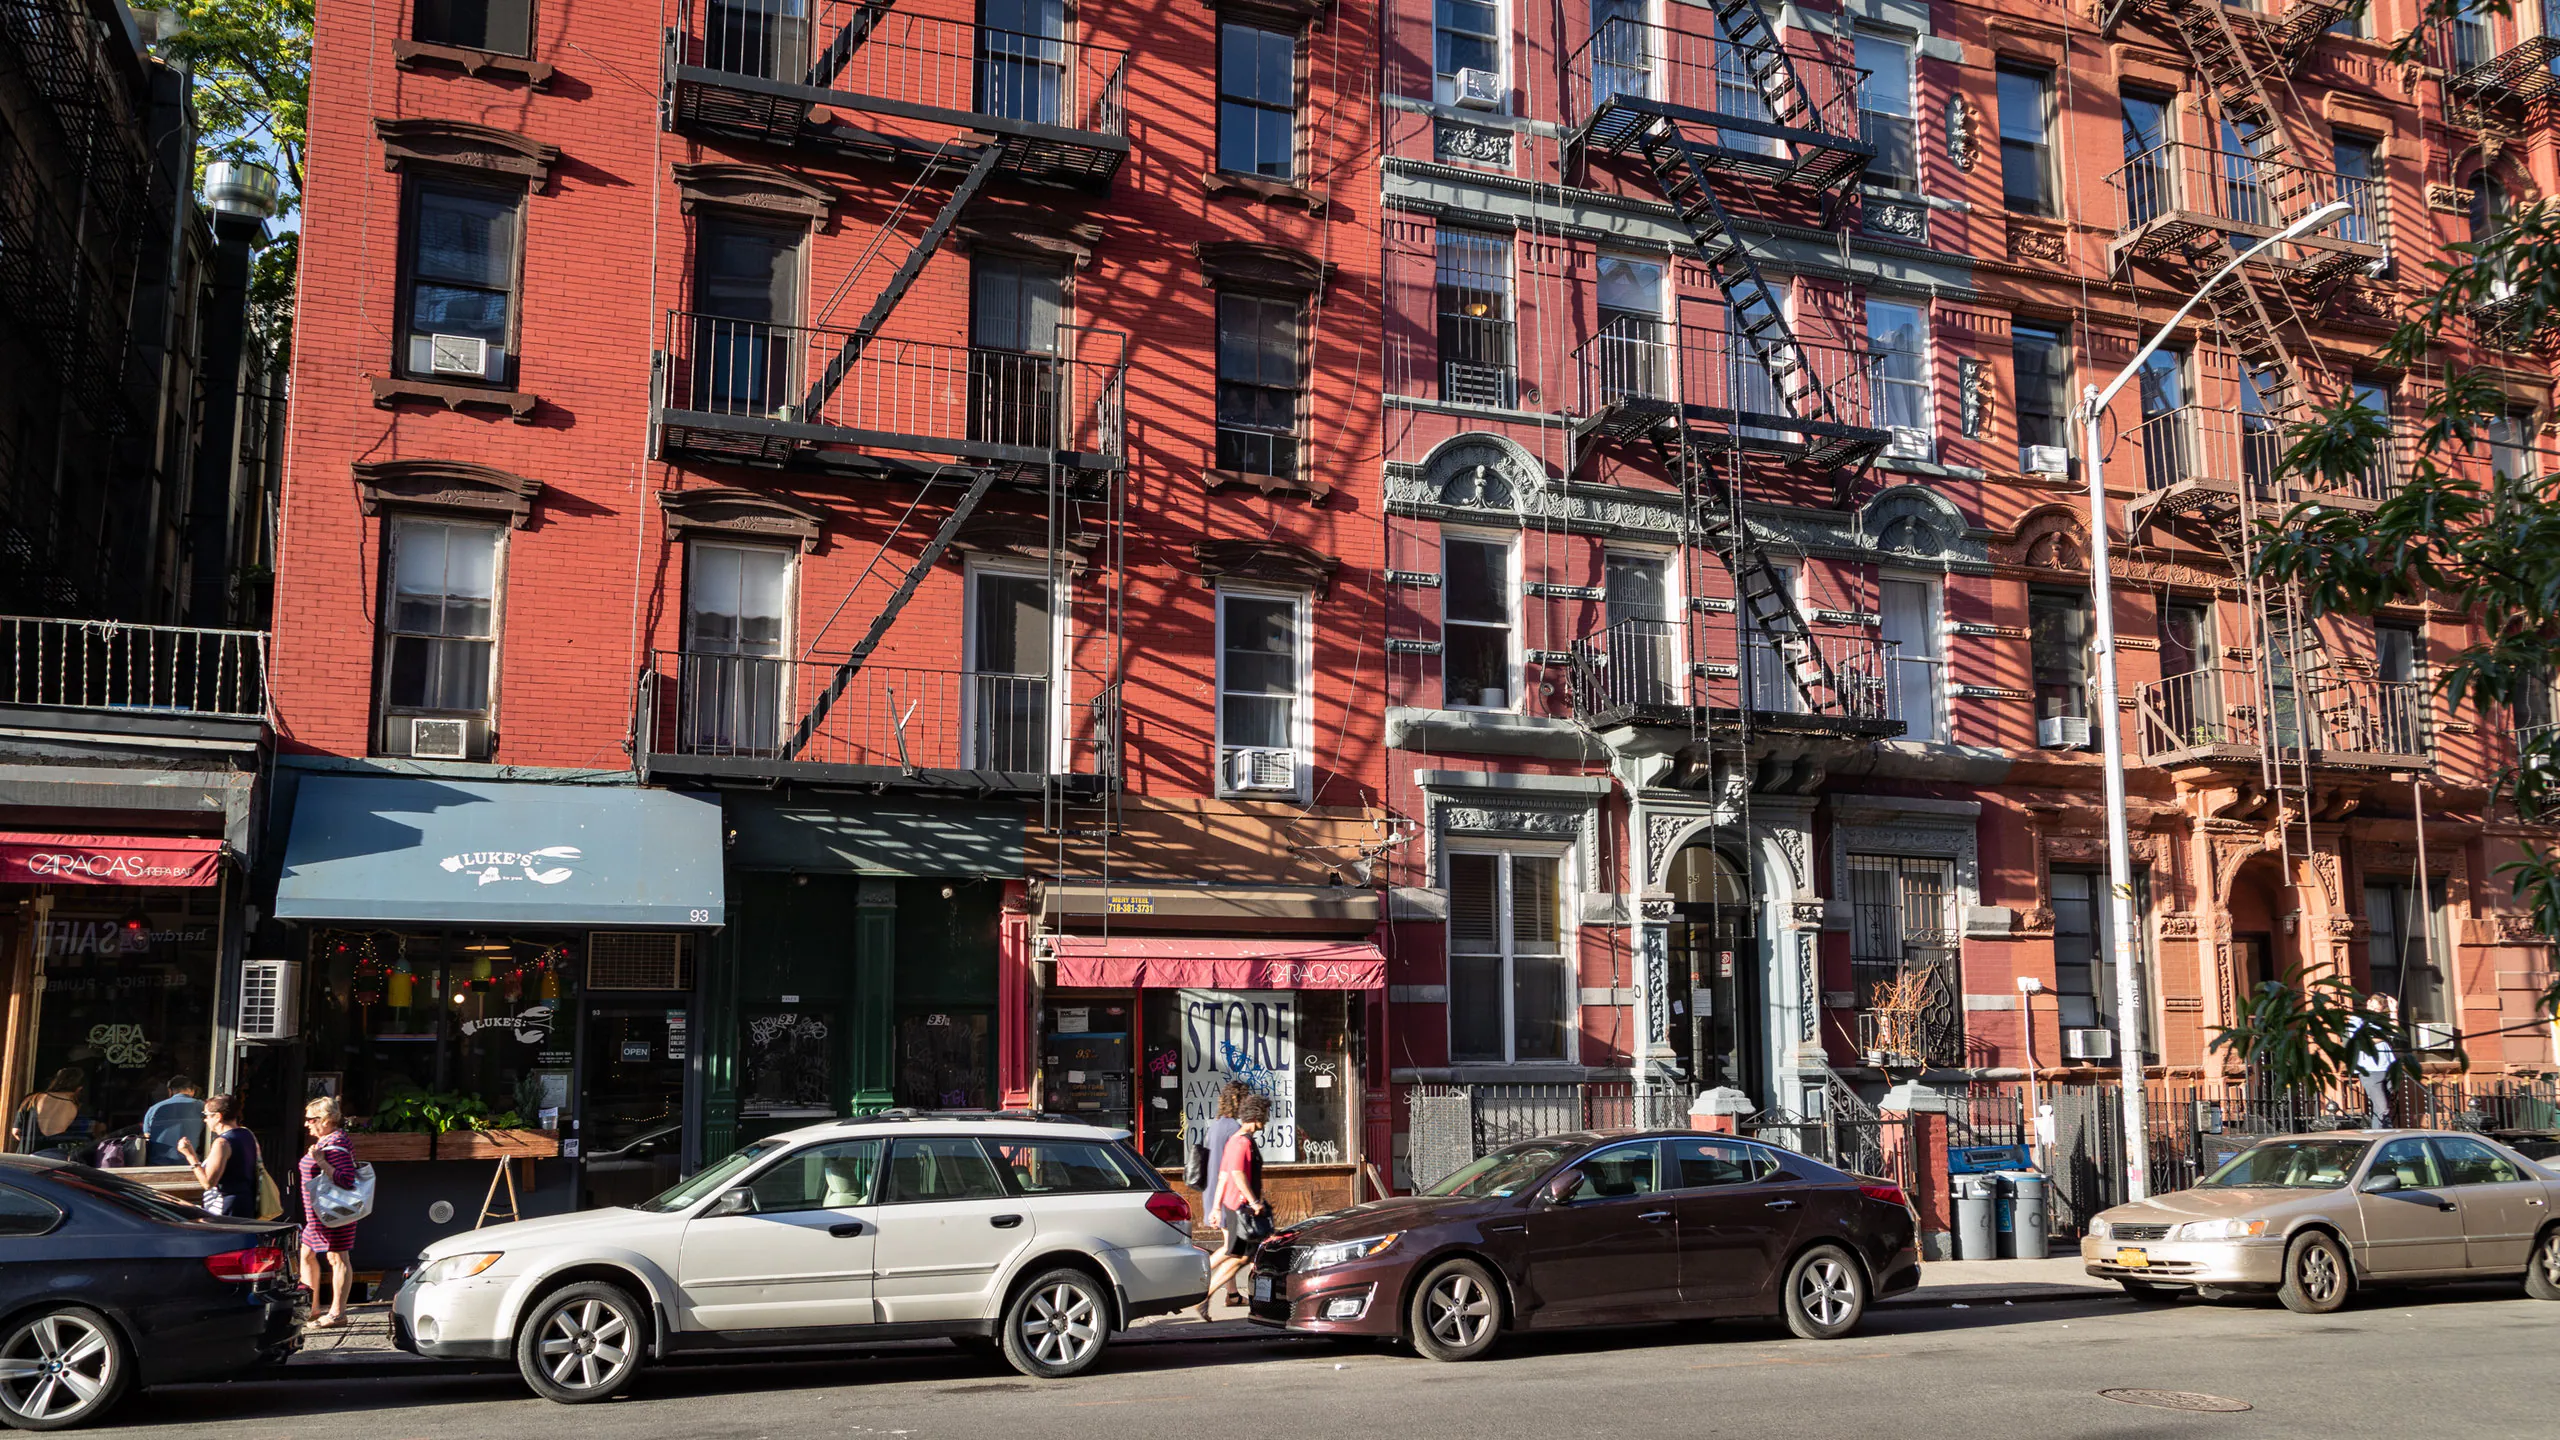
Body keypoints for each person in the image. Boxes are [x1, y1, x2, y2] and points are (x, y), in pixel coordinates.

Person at [1194, 1094, 1271, 1321]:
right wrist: (1254, 1201)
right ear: (1256, 1116)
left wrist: (1216, 1207)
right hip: (1241, 1208)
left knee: (1238, 1255)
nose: (1266, 1120)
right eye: (1264, 1115)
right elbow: (1236, 1174)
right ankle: (1204, 1295)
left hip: (1233, 1206)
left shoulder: (1236, 1139)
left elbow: (1222, 1176)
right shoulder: (1242, 1141)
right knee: (1239, 1256)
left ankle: (1205, 1295)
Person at [298, 1097, 360, 1327]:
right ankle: (311, 1308)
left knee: (338, 1258)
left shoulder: (338, 1144)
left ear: (324, 1120)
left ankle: (337, 1314)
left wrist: (321, 1162)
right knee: (306, 1255)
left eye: (310, 1119)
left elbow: (346, 1179)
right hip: (318, 1216)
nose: (306, 1124)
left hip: (334, 1215)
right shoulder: (328, 1140)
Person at [1195, 1082, 1251, 1308]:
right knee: (1233, 1249)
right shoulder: (1233, 1129)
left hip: (1214, 1192)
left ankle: (1233, 1295)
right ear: (1237, 1100)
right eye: (1244, 1099)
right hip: (1227, 1194)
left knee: (1231, 1246)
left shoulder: (1215, 1125)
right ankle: (1198, 1282)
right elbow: (1233, 1167)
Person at [176, 1094, 262, 1217]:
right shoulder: (247, 1134)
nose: (204, 1120)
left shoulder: (222, 1143)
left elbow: (207, 1183)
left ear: (217, 1116)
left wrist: (190, 1155)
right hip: (247, 1203)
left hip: (225, 1206)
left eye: (206, 1115)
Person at [8, 1067, 95, 1158]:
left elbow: (16, 1131)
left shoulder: (31, 1100)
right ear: (79, 1089)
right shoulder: (79, 1108)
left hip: (27, 1160)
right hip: (56, 1163)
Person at [2350, 997, 2400, 1128]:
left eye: (2377, 1009)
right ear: (2367, 1003)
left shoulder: (2382, 1021)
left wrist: (2394, 1011)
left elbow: (2395, 1033)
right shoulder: (2357, 1019)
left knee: (2384, 1108)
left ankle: (2381, 1134)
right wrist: (2384, 1036)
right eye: (2371, 1006)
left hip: (2388, 1067)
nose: (2373, 1010)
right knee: (2382, 1107)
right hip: (2370, 1070)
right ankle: (2381, 1136)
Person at [143, 1076, 206, 1166]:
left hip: (158, 1164)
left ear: (170, 1091)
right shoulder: (203, 1107)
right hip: (192, 1163)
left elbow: (147, 1135)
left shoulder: (154, 1109)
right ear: (192, 1091)